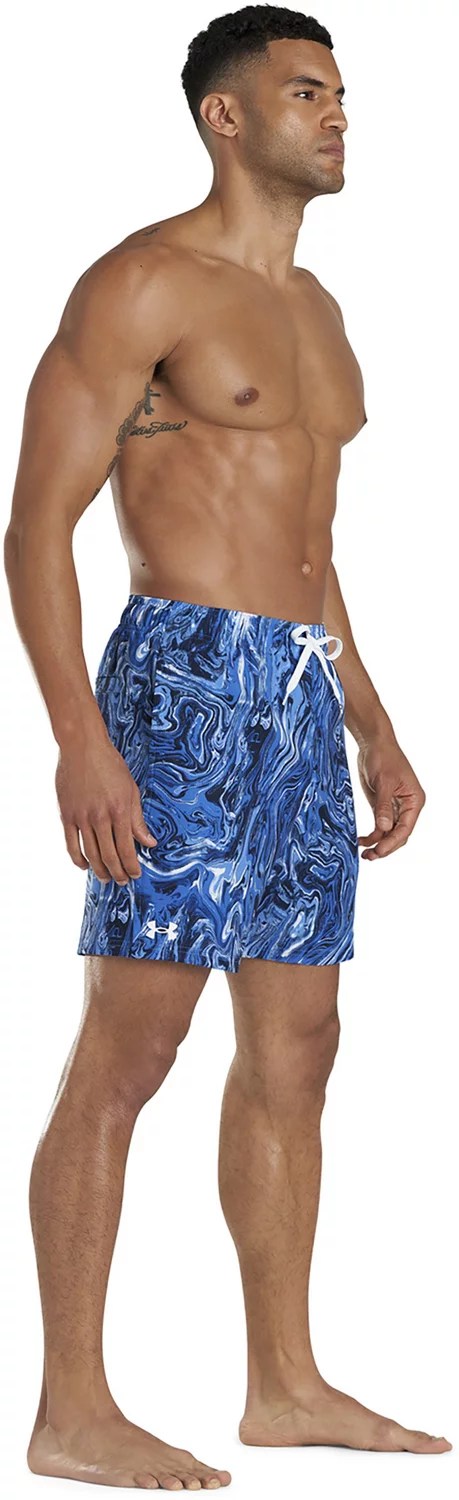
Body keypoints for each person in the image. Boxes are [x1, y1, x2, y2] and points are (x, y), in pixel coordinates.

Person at [4, 4, 451, 1489]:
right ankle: (72, 1408)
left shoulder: (317, 314)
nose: (337, 115)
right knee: (133, 1044)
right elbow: (35, 529)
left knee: (300, 1045)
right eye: (307, 92)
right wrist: (80, 742)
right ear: (226, 116)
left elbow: (307, 553)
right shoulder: (141, 283)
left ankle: (284, 1384)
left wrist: (371, 718)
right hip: (180, 687)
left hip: (301, 699)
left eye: (343, 93)